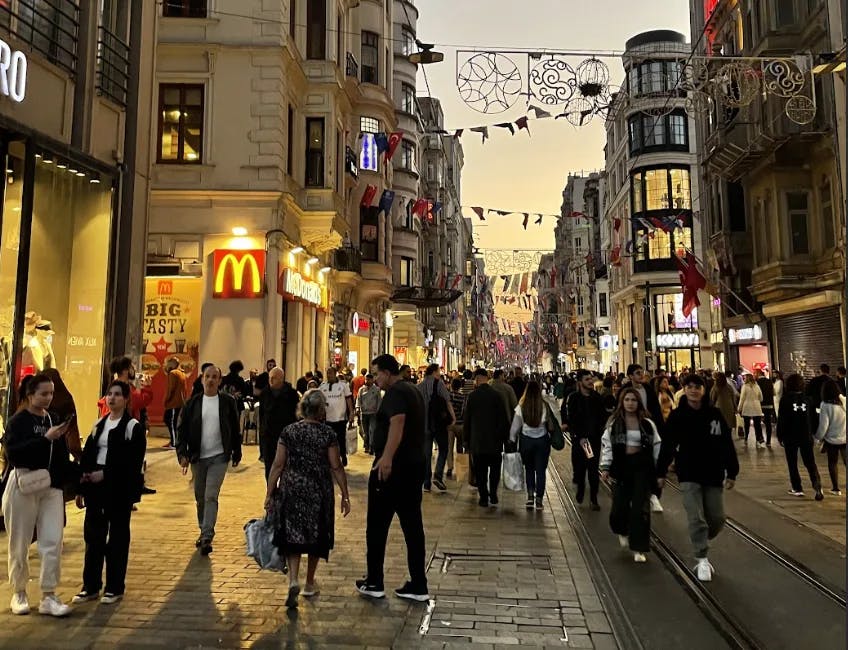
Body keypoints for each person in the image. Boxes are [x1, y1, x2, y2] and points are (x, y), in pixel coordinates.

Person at [265, 390, 350, 609]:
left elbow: (277, 464)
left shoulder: (289, 431)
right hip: (318, 490)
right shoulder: (327, 434)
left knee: (292, 534)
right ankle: (309, 582)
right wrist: (345, 494)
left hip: (291, 488)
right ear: (321, 410)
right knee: (316, 535)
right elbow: (336, 465)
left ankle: (293, 578)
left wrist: (269, 492)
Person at [356, 354, 429, 602]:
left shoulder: (397, 393)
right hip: (413, 467)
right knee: (412, 527)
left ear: (387, 372)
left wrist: (386, 458)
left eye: (376, 374)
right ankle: (418, 583)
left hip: (393, 470)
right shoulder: (413, 391)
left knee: (376, 526)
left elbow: (397, 423)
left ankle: (374, 580)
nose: (374, 380)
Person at [2, 373, 75, 616]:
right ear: (30, 394)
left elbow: (62, 455)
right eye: (43, 393)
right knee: (19, 540)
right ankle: (19, 591)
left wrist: (73, 481)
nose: (48, 398)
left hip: (51, 486)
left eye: (51, 393)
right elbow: (14, 455)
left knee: (53, 540)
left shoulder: (53, 418)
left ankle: (49, 594)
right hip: (24, 484)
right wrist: (45, 439)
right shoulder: (18, 422)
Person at [72, 380, 146, 605]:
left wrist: (106, 474)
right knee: (93, 537)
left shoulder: (132, 427)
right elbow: (88, 456)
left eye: (117, 394)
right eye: (109, 394)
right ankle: (91, 585)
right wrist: (81, 487)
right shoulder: (99, 425)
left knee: (117, 538)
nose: (112, 398)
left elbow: (132, 462)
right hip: (95, 487)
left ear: (125, 399)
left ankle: (115, 587)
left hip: (119, 489)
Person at [661, 375, 738, 582]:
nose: (694, 391)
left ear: (704, 390)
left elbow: (726, 443)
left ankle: (701, 539)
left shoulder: (714, 414)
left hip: (713, 473)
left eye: (698, 387)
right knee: (696, 517)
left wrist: (732, 471)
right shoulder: (678, 416)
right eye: (690, 387)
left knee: (717, 518)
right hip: (688, 473)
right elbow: (668, 444)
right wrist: (660, 472)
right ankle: (701, 557)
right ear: (684, 390)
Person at [176, 365, 242, 554]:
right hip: (198, 457)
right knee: (200, 497)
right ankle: (202, 527)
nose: (211, 380)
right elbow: (182, 430)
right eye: (208, 376)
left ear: (220, 381)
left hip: (219, 457)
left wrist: (236, 452)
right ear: (202, 379)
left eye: (215, 377)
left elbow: (234, 429)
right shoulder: (193, 403)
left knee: (211, 495)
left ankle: (207, 535)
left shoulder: (227, 402)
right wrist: (182, 454)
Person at [599, 388, 663, 563]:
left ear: (638, 402)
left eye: (633, 400)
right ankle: (621, 529)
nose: (630, 403)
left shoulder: (648, 424)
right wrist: (605, 467)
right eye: (627, 399)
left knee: (640, 509)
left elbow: (657, 445)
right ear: (622, 401)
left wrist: (659, 470)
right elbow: (607, 446)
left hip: (642, 468)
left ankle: (639, 547)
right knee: (619, 508)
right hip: (621, 468)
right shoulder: (614, 424)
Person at [99, 356, 155, 496]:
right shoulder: (123, 388)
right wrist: (147, 388)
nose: (133, 370)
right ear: (125, 370)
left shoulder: (115, 385)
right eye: (131, 367)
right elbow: (140, 401)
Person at [463, 369, 511, 507]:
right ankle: (493, 493)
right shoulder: (496, 396)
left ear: (477, 379)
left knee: (480, 471)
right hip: (494, 441)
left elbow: (467, 419)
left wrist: (466, 439)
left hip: (477, 441)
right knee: (495, 469)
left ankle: (483, 496)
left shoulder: (472, 396)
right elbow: (503, 419)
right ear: (487, 378)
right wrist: (505, 437)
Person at [621, 364, 664, 512]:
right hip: (630, 432)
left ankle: (653, 495)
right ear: (630, 376)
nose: (641, 375)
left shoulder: (648, 390)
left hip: (647, 430)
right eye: (638, 373)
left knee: (651, 464)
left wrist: (659, 427)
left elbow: (656, 410)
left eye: (642, 372)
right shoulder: (624, 391)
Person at [563, 369, 607, 511]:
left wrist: (599, 432)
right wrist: (579, 436)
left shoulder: (597, 398)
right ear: (580, 382)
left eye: (591, 379)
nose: (590, 382)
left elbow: (602, 417)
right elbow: (571, 418)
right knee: (580, 468)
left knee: (593, 469)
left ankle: (593, 498)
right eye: (587, 379)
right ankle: (581, 489)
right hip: (580, 439)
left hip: (592, 440)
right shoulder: (574, 398)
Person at [776, 374, 823, 500]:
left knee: (792, 462)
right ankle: (817, 485)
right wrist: (814, 432)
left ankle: (797, 488)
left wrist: (780, 435)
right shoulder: (808, 399)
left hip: (790, 436)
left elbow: (782, 420)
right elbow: (814, 418)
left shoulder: (785, 400)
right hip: (806, 435)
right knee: (810, 462)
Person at [509, 380, 554, 511]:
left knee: (529, 469)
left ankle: (530, 497)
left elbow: (515, 426)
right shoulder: (544, 405)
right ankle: (539, 499)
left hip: (526, 440)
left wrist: (511, 439)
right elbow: (548, 423)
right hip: (542, 440)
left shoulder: (521, 406)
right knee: (541, 471)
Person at [416, 364, 456, 493]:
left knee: (426, 454)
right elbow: (447, 400)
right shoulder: (439, 384)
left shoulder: (419, 386)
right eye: (438, 371)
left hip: (424, 424)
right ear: (434, 371)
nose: (439, 373)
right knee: (443, 448)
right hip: (438, 423)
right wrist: (453, 417)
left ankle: (426, 483)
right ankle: (438, 475)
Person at [257, 368, 299, 480]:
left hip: (285, 434)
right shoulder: (265, 393)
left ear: (281, 378)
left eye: (273, 378)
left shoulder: (291, 394)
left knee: (286, 465)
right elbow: (261, 415)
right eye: (270, 378)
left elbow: (296, 415)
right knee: (269, 466)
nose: (271, 380)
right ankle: (271, 491)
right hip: (268, 435)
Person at [42, 368, 82, 462]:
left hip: (42, 453)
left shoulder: (42, 401)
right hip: (60, 452)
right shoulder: (66, 399)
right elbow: (72, 431)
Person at [814, 379, 846, 496]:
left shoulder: (825, 405)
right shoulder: (844, 402)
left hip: (832, 440)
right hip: (845, 438)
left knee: (833, 463)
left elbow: (823, 426)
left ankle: (836, 488)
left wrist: (817, 438)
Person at [319, 367, 355, 467]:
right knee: (328, 440)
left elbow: (348, 400)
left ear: (335, 373)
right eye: (327, 373)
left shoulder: (343, 385)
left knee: (341, 439)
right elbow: (320, 400)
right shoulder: (322, 386)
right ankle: (330, 459)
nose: (328, 375)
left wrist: (351, 412)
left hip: (340, 418)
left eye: (330, 373)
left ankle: (343, 455)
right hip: (328, 419)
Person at [163, 357, 186, 450]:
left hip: (173, 402)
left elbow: (170, 389)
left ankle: (173, 442)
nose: (166, 365)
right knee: (175, 422)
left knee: (169, 421)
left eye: (168, 363)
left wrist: (166, 399)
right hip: (180, 402)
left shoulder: (172, 373)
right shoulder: (182, 373)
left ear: (172, 364)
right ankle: (174, 440)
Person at [357, 374, 382, 455]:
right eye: (366, 379)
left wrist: (378, 411)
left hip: (373, 414)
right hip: (364, 413)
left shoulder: (377, 389)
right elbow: (358, 399)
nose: (367, 381)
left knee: (372, 430)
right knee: (365, 431)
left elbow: (379, 401)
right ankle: (366, 445)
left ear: (372, 380)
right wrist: (358, 408)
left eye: (368, 379)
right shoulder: (361, 389)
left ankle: (372, 447)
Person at [446, 377, 466, 478]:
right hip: (460, 424)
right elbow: (463, 411)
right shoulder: (462, 397)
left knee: (449, 448)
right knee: (460, 447)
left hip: (450, 425)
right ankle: (461, 470)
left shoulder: (448, 396)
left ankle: (450, 467)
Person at [738, 374, 764, 448]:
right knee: (757, 425)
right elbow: (761, 398)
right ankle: (758, 440)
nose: (744, 379)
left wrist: (739, 408)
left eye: (745, 378)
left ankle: (746, 439)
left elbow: (742, 398)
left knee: (746, 425)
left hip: (747, 407)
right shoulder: (757, 386)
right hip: (756, 407)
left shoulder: (745, 387)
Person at [755, 370, 775, 447]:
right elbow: (774, 392)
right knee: (768, 423)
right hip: (769, 404)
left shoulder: (757, 382)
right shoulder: (769, 381)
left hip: (759, 404)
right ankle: (769, 441)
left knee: (757, 422)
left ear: (758, 374)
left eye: (755, 373)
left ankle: (760, 439)